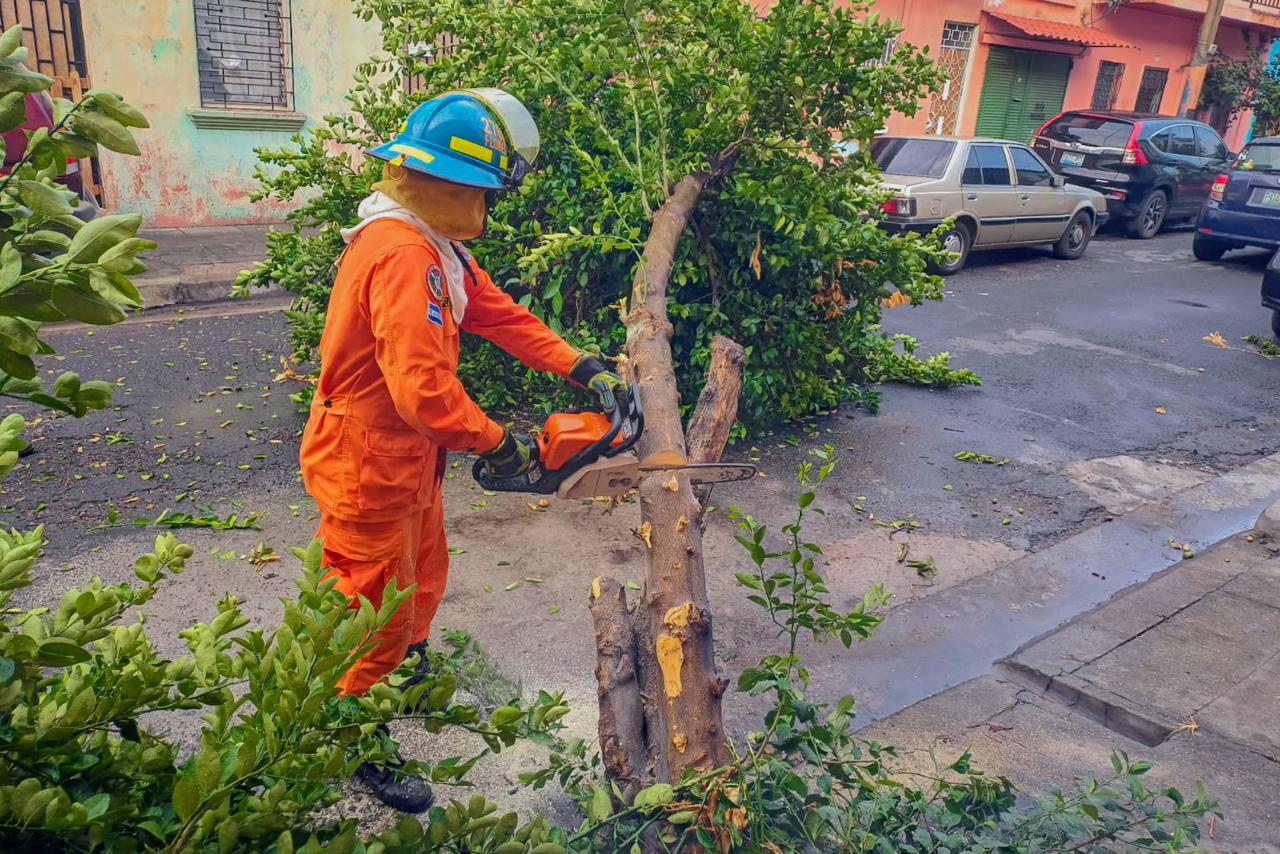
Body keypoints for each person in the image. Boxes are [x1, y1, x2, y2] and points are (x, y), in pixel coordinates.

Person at [299, 89, 626, 812]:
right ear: (457, 184)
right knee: (368, 605)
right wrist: (498, 441)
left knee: (421, 575)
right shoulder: (400, 255)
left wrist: (580, 366)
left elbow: (498, 314)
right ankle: (353, 736)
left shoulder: (433, 246)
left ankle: (408, 666)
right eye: (486, 191)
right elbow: (422, 390)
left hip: (407, 457)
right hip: (367, 461)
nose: (489, 205)